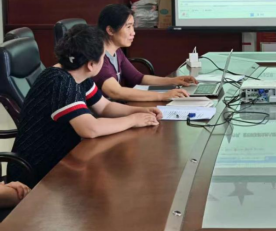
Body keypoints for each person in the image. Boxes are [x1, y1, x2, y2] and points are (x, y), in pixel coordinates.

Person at [7, 25, 162, 186]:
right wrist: (133, 120)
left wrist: (141, 111)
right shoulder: (60, 82)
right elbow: (90, 129)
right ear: (91, 64)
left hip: (62, 162)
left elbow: (105, 107)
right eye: (103, 58)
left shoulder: (78, 74)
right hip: (36, 175)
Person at [95, 4, 197, 102]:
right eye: (128, 27)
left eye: (132, 26)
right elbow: (116, 92)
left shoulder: (117, 51)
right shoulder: (98, 57)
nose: (133, 32)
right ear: (110, 30)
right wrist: (162, 96)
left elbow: (138, 78)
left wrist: (174, 81)